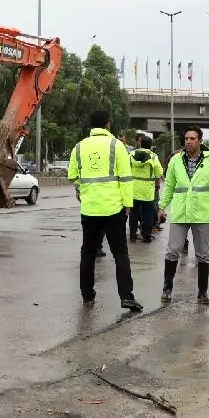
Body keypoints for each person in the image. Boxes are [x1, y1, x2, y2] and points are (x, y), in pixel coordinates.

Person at [67, 111, 143, 310]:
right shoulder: (116, 146)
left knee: (88, 253)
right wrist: (128, 204)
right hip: (113, 208)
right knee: (120, 253)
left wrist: (83, 190)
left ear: (92, 126)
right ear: (108, 125)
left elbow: (72, 175)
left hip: (90, 208)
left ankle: (87, 295)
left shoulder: (79, 146)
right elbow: (126, 177)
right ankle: (126, 296)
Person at [159, 126, 209, 303]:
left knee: (203, 254)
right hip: (181, 212)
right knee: (173, 251)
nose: (188, 141)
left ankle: (202, 293)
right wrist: (162, 206)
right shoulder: (176, 160)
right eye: (186, 138)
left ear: (200, 141)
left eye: (192, 138)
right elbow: (170, 186)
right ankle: (167, 289)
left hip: (203, 213)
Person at [128, 135, 164, 243]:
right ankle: (146, 236)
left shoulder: (131, 154)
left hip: (133, 189)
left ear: (140, 143)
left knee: (133, 214)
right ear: (150, 145)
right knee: (147, 214)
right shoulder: (153, 156)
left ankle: (133, 235)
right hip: (147, 191)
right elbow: (159, 172)